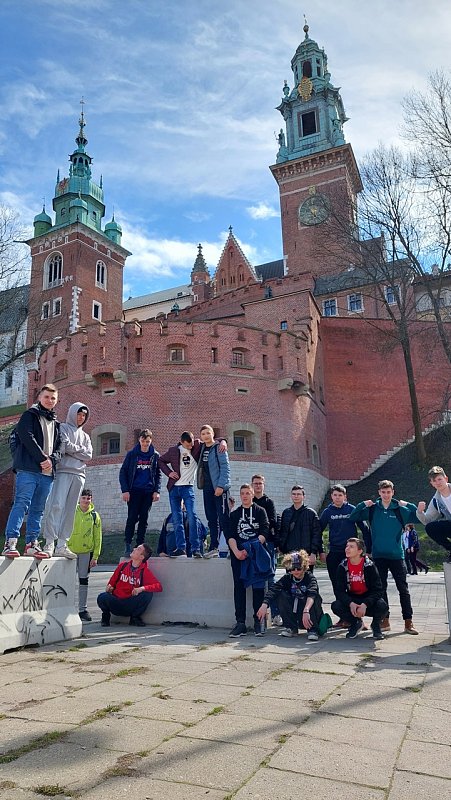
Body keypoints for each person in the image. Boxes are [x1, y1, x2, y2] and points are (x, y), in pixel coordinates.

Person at [349, 480, 419, 634]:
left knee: (403, 589)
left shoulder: (400, 509)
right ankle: (385, 620)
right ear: (379, 492)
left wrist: (407, 504)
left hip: (397, 556)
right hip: (378, 556)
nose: (386, 495)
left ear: (393, 492)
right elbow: (352, 517)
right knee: (381, 590)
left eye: (389, 492)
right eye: (383, 492)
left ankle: (408, 622)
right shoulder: (373, 509)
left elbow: (418, 516)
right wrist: (362, 505)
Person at [3, 384, 62, 559]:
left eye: (53, 398)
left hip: (47, 473)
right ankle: (11, 542)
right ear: (39, 398)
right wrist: (42, 458)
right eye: (46, 397)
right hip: (28, 468)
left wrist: (51, 460)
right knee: (22, 503)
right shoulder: (30, 415)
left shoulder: (56, 423)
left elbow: (59, 447)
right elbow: (25, 435)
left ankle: (32, 543)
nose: (50, 401)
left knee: (38, 509)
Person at [159, 431, 227, 558]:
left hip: (188, 488)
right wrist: (169, 473)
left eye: (191, 444)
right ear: (181, 442)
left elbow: (212, 440)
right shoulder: (173, 451)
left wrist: (223, 441)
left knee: (192, 516)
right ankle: (181, 548)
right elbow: (160, 461)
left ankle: (195, 548)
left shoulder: (197, 446)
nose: (190, 447)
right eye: (187, 445)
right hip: (174, 488)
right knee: (177, 518)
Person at [44, 402, 92, 558]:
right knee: (56, 505)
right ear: (72, 413)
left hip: (79, 475)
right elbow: (64, 447)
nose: (81, 417)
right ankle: (50, 542)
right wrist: (79, 451)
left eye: (84, 415)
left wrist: (73, 450)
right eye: (79, 414)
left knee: (71, 510)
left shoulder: (86, 436)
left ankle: (62, 544)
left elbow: (89, 455)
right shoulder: (62, 428)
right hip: (63, 471)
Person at [319, 484, 371, 628]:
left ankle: (359, 618)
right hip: (335, 553)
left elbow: (365, 529)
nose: (337, 498)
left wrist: (367, 549)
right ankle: (344, 618)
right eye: (335, 495)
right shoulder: (327, 512)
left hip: (352, 554)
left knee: (356, 585)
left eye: (340, 495)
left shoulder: (352, 510)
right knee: (338, 587)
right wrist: (320, 550)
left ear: (345, 496)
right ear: (332, 497)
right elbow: (317, 531)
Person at [227, 484, 271, 637]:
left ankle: (258, 622)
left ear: (253, 494)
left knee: (258, 589)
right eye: (242, 493)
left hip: (255, 555)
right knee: (239, 588)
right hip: (239, 556)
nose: (245, 496)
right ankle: (240, 623)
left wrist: (250, 549)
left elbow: (265, 531)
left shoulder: (260, 511)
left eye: (248, 493)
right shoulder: (235, 514)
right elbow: (230, 535)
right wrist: (237, 552)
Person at [257, 550, 325, 641]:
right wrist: (264, 604)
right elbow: (274, 589)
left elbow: (312, 593)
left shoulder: (309, 577)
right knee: (280, 594)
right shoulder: (287, 578)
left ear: (304, 567)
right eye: (293, 568)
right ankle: (291, 627)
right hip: (295, 611)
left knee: (314, 598)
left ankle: (313, 629)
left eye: (299, 568)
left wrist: (306, 610)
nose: (296, 571)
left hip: (308, 612)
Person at [331, 538, 388, 640]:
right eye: (346, 546)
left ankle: (375, 625)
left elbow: (378, 590)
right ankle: (356, 623)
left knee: (383, 606)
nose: (347, 549)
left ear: (360, 551)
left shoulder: (369, 566)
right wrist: (350, 603)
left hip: (367, 600)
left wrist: (365, 604)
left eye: (351, 547)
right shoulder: (342, 566)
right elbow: (339, 591)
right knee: (336, 606)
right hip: (353, 600)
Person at [97, 543, 162, 627]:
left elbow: (158, 586)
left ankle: (135, 618)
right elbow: (111, 582)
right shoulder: (122, 566)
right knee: (102, 597)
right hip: (116, 601)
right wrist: (109, 588)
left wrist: (142, 588)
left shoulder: (144, 571)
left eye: (138, 549)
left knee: (148, 593)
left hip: (130, 603)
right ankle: (105, 617)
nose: (134, 549)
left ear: (141, 557)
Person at [119, 429, 161, 558]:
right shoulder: (132, 454)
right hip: (134, 491)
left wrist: (156, 491)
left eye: (147, 441)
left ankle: (140, 545)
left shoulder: (155, 455)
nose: (145, 444)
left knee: (144, 518)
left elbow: (158, 474)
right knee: (132, 518)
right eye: (143, 441)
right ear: (139, 440)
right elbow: (123, 472)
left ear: (151, 441)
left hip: (147, 492)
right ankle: (127, 544)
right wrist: (125, 490)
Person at [67, 488, 102, 621]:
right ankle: (67, 607)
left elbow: (98, 537)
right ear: (79, 499)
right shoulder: (71, 512)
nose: (86, 501)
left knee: (83, 580)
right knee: (68, 581)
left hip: (86, 553)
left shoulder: (94, 516)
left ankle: (82, 609)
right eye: (84, 498)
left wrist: (96, 556)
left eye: (88, 498)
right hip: (69, 552)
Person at [197, 424, 231, 558]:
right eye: (203, 433)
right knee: (211, 518)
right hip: (207, 488)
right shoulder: (201, 448)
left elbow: (225, 468)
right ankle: (214, 547)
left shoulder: (219, 448)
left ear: (213, 434)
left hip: (219, 488)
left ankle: (230, 547)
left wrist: (221, 486)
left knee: (224, 518)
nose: (205, 436)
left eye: (208, 433)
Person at [251, 474, 281, 625]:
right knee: (257, 579)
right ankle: (259, 614)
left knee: (270, 578)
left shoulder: (268, 502)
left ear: (264, 485)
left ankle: (276, 613)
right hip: (253, 544)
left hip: (267, 543)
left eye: (260, 483)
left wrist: (274, 542)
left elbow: (273, 522)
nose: (258, 486)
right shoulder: (249, 502)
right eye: (255, 484)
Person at [279, 486, 323, 572]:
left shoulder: (311, 513)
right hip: (290, 553)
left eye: (298, 494)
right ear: (291, 496)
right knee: (290, 581)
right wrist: (281, 547)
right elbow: (282, 532)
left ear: (303, 496)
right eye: (294, 494)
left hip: (306, 554)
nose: (296, 496)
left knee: (307, 581)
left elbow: (316, 534)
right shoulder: (286, 512)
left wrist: (313, 553)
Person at [417, 465, 451, 562]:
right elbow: (427, 521)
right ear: (432, 483)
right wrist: (419, 511)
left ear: (446, 478)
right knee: (431, 527)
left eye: (439, 479)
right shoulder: (436, 500)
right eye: (434, 481)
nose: (438, 483)